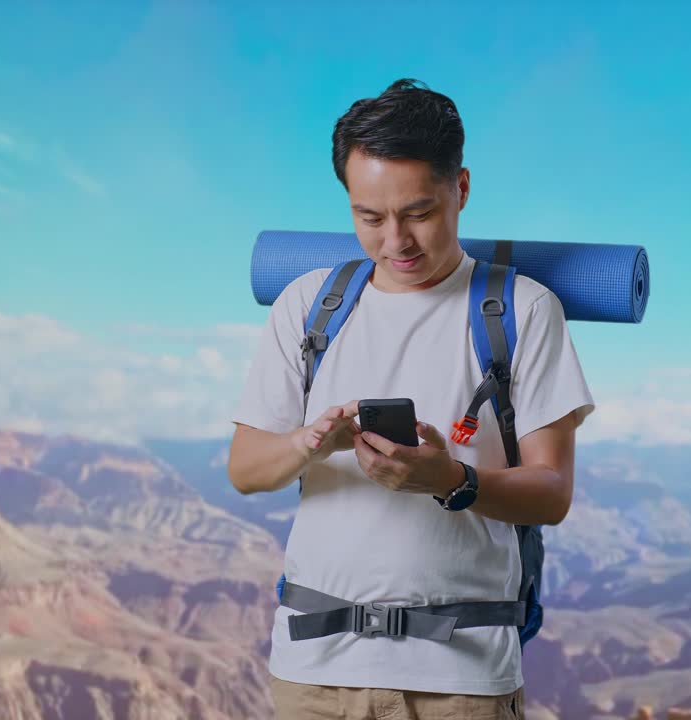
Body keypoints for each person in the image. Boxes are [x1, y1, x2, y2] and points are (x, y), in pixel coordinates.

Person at [228, 78, 595, 720]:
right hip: (313, 677)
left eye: (418, 213)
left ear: (461, 189)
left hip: (462, 682)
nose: (395, 241)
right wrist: (307, 443)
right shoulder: (310, 307)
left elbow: (553, 492)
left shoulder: (524, 311)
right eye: (369, 217)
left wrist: (452, 479)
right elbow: (246, 470)